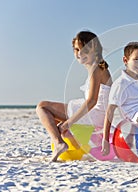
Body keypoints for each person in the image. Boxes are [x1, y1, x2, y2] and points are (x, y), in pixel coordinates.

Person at [36, 31, 112, 162]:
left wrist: (67, 123)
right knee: (52, 119)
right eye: (77, 49)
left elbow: (92, 101)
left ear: (95, 50)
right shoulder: (97, 66)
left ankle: (59, 143)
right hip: (96, 114)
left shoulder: (96, 68)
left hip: (96, 115)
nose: (80, 53)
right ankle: (65, 142)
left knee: (42, 107)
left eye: (85, 49)